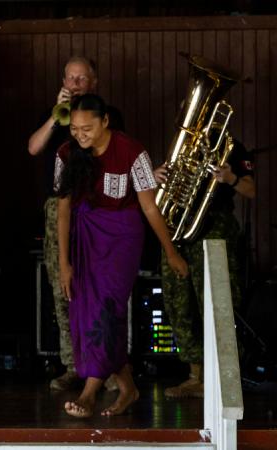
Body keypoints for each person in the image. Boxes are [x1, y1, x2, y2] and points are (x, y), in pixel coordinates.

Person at [55, 94, 188, 418]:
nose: (80, 135)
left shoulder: (132, 151)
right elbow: (62, 212)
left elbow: (148, 206)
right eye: (74, 129)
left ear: (105, 123)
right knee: (85, 314)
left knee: (106, 309)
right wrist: (64, 263)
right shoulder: (66, 153)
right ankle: (128, 387)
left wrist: (170, 252)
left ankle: (90, 391)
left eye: (87, 128)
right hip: (83, 241)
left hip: (122, 241)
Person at [27, 56, 124, 391]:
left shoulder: (107, 115)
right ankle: (74, 364)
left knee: (101, 287)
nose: (75, 84)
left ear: (93, 82)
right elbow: (33, 148)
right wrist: (57, 118)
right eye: (70, 78)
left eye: (82, 79)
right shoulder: (55, 115)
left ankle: (105, 368)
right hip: (59, 208)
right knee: (62, 286)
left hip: (97, 208)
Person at [155, 138, 255, 398]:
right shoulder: (182, 145)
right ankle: (194, 376)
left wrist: (230, 177)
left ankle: (222, 378)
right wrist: (156, 177)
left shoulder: (231, 147)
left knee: (216, 300)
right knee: (178, 302)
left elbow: (251, 190)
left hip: (214, 225)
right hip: (178, 226)